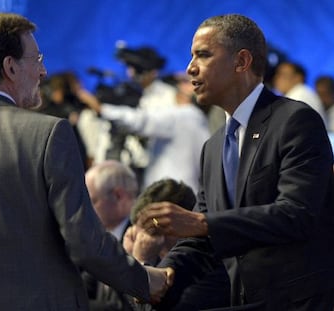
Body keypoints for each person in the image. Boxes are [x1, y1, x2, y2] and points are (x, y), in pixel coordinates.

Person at [0, 13, 171, 310]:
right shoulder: (50, 133)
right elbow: (85, 243)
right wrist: (146, 280)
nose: (43, 71)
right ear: (10, 67)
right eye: (37, 58)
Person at [137, 14, 334, 310]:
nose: (190, 67)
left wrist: (202, 222)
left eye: (202, 55)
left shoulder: (295, 121)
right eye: (192, 56)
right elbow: (203, 237)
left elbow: (296, 214)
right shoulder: (213, 146)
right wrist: (164, 272)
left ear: (241, 61)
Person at [77, 72, 210, 194]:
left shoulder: (179, 116)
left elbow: (142, 120)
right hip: (187, 191)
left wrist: (102, 109)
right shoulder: (199, 119)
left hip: (168, 193)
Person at [124, 178, 230, 311]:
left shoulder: (203, 264)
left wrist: (140, 261)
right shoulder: (158, 260)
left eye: (146, 229)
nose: (138, 239)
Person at [82, 160, 139, 311]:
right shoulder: (100, 237)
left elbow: (127, 307)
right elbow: (84, 287)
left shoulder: (142, 237)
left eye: (91, 201)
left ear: (118, 196)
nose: (84, 210)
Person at [273, 61, 326, 126]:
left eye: (283, 74)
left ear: (298, 78)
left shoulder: (299, 95)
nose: (277, 78)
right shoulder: (304, 92)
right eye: (277, 75)